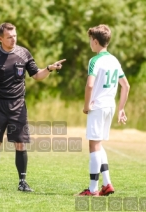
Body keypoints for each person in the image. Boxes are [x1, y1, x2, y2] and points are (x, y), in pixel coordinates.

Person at [0, 22, 66, 192]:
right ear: (0, 38)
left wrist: (49, 68)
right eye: (9, 37)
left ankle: (22, 182)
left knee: (21, 143)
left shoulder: (23, 53)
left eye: (15, 36)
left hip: (18, 105)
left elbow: (37, 75)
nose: (13, 40)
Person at [78, 24, 130, 196]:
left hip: (98, 106)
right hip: (110, 106)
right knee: (98, 143)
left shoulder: (95, 60)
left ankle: (92, 189)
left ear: (95, 41)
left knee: (93, 144)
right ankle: (107, 184)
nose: (90, 44)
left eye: (90, 41)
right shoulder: (114, 60)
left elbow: (89, 85)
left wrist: (86, 106)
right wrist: (121, 108)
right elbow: (126, 86)